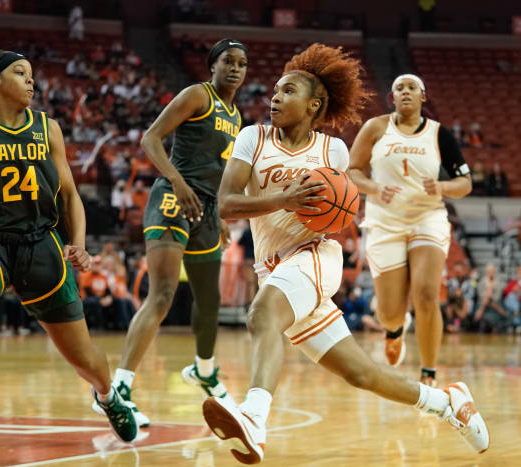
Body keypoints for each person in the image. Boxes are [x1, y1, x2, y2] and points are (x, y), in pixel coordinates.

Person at [202, 44, 488, 465]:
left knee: (262, 315)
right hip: (273, 268)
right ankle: (447, 403)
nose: (274, 98)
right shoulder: (252, 137)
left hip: (316, 256)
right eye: (275, 91)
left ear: (314, 104)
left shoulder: (331, 151)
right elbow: (225, 204)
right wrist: (287, 197)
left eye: (287, 91)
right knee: (361, 373)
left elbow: (336, 218)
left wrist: (318, 206)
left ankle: (254, 419)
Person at [0, 50, 137, 442]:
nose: (31, 81)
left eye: (31, 75)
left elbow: (71, 194)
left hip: (41, 246)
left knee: (86, 359)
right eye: (20, 73)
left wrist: (78, 243)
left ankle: (108, 395)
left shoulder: (48, 128)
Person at [92, 39, 248, 423]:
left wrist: (222, 221)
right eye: (228, 61)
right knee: (161, 294)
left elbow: (221, 174)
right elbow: (150, 139)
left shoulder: (237, 117)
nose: (236, 69)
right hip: (172, 199)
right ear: (212, 66)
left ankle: (205, 371)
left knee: (209, 301)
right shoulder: (198, 95)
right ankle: (119, 388)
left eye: (242, 64)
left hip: (207, 210)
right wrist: (177, 181)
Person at [348, 73, 473, 386]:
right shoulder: (375, 128)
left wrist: (441, 186)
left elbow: (465, 183)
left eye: (411, 88)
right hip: (385, 222)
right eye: (399, 88)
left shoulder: (439, 134)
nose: (405, 92)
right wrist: (375, 188)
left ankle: (428, 373)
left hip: (427, 218)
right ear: (392, 97)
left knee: (427, 295)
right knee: (389, 312)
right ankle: (394, 329)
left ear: (422, 96)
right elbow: (351, 172)